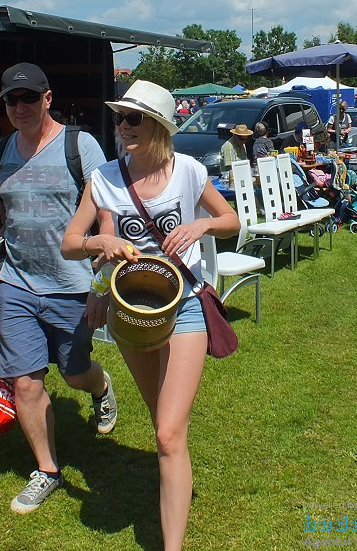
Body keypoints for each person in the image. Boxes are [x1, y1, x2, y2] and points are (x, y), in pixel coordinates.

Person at [61, 79, 240, 551]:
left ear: (159, 124)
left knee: (167, 431)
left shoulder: (189, 171)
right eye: (120, 117)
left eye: (134, 118)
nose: (123, 126)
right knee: (161, 419)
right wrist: (98, 243)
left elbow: (231, 221)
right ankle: (172, 469)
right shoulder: (104, 177)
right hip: (130, 310)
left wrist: (201, 223)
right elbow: (70, 242)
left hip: (184, 304)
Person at [0, 63, 115, 515]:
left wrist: (101, 283)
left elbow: (107, 215)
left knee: (73, 372)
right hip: (16, 284)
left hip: (72, 288)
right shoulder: (0, 153)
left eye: (28, 98)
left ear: (48, 98)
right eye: (11, 100)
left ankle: (98, 387)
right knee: (25, 382)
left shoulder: (81, 146)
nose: (19, 107)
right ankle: (47, 470)